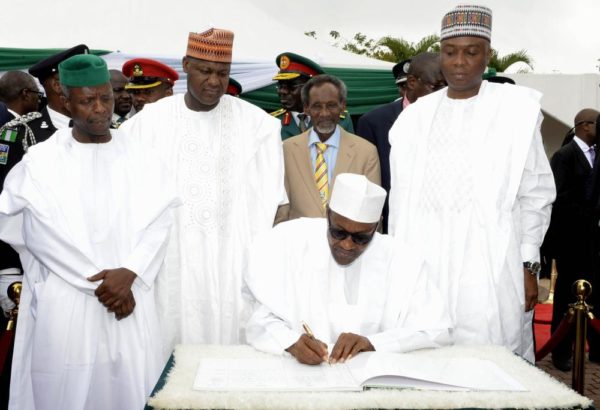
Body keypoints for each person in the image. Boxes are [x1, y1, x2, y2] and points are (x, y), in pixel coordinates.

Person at [0, 54, 179, 410]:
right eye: (87, 101)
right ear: (66, 101)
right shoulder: (41, 162)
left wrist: (131, 271)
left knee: (132, 389)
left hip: (130, 299)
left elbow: (161, 221)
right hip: (68, 302)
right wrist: (102, 284)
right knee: (65, 390)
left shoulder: (143, 156)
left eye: (106, 98)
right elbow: (38, 235)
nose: (99, 109)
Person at [388, 4, 555, 363]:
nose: (459, 62)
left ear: (487, 56)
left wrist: (529, 266)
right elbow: (400, 205)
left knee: (492, 360)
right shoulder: (413, 120)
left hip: (492, 263)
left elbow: (535, 193)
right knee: (426, 359)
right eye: (450, 52)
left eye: (470, 52)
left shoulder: (516, 111)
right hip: (426, 261)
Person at [120, 28, 286, 355]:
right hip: (169, 266)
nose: (214, 81)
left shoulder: (258, 126)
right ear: (185, 65)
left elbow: (279, 206)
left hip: (235, 268)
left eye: (222, 73)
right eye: (205, 71)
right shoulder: (145, 125)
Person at [246, 173, 450, 364]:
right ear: (328, 214)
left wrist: (374, 343)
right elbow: (259, 317)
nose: (347, 245)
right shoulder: (289, 242)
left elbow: (434, 330)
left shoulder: (403, 260)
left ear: (377, 226)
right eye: (338, 232)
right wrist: (290, 342)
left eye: (361, 238)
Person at [356, 52, 446, 233]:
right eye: (436, 87)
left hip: (441, 226)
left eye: (447, 87)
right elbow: (367, 184)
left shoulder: (454, 121)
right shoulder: (374, 122)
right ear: (412, 83)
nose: (442, 94)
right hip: (393, 227)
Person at [275, 74, 380, 224]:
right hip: (298, 243)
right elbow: (281, 209)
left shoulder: (366, 152)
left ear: (342, 105)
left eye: (331, 105)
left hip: (348, 244)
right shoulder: (286, 150)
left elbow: (371, 213)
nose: (324, 113)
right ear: (306, 108)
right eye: (317, 106)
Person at [545, 108, 599, 371]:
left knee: (594, 295)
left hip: (592, 241)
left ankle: (596, 348)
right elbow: (557, 197)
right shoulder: (565, 156)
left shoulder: (597, 155)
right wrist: (588, 212)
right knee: (568, 295)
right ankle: (561, 352)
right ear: (585, 126)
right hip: (570, 241)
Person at [0, 71, 42, 316]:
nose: (40, 101)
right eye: (38, 95)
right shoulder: (12, 127)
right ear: (26, 94)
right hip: (11, 253)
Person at [270, 52, 354, 140]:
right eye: (280, 86)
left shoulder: (339, 119)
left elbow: (351, 151)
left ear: (311, 88)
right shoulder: (272, 122)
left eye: (291, 85)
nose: (283, 91)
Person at [27, 44, 89, 141]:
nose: (90, 88)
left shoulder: (102, 126)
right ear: (58, 86)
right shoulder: (25, 133)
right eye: (81, 81)